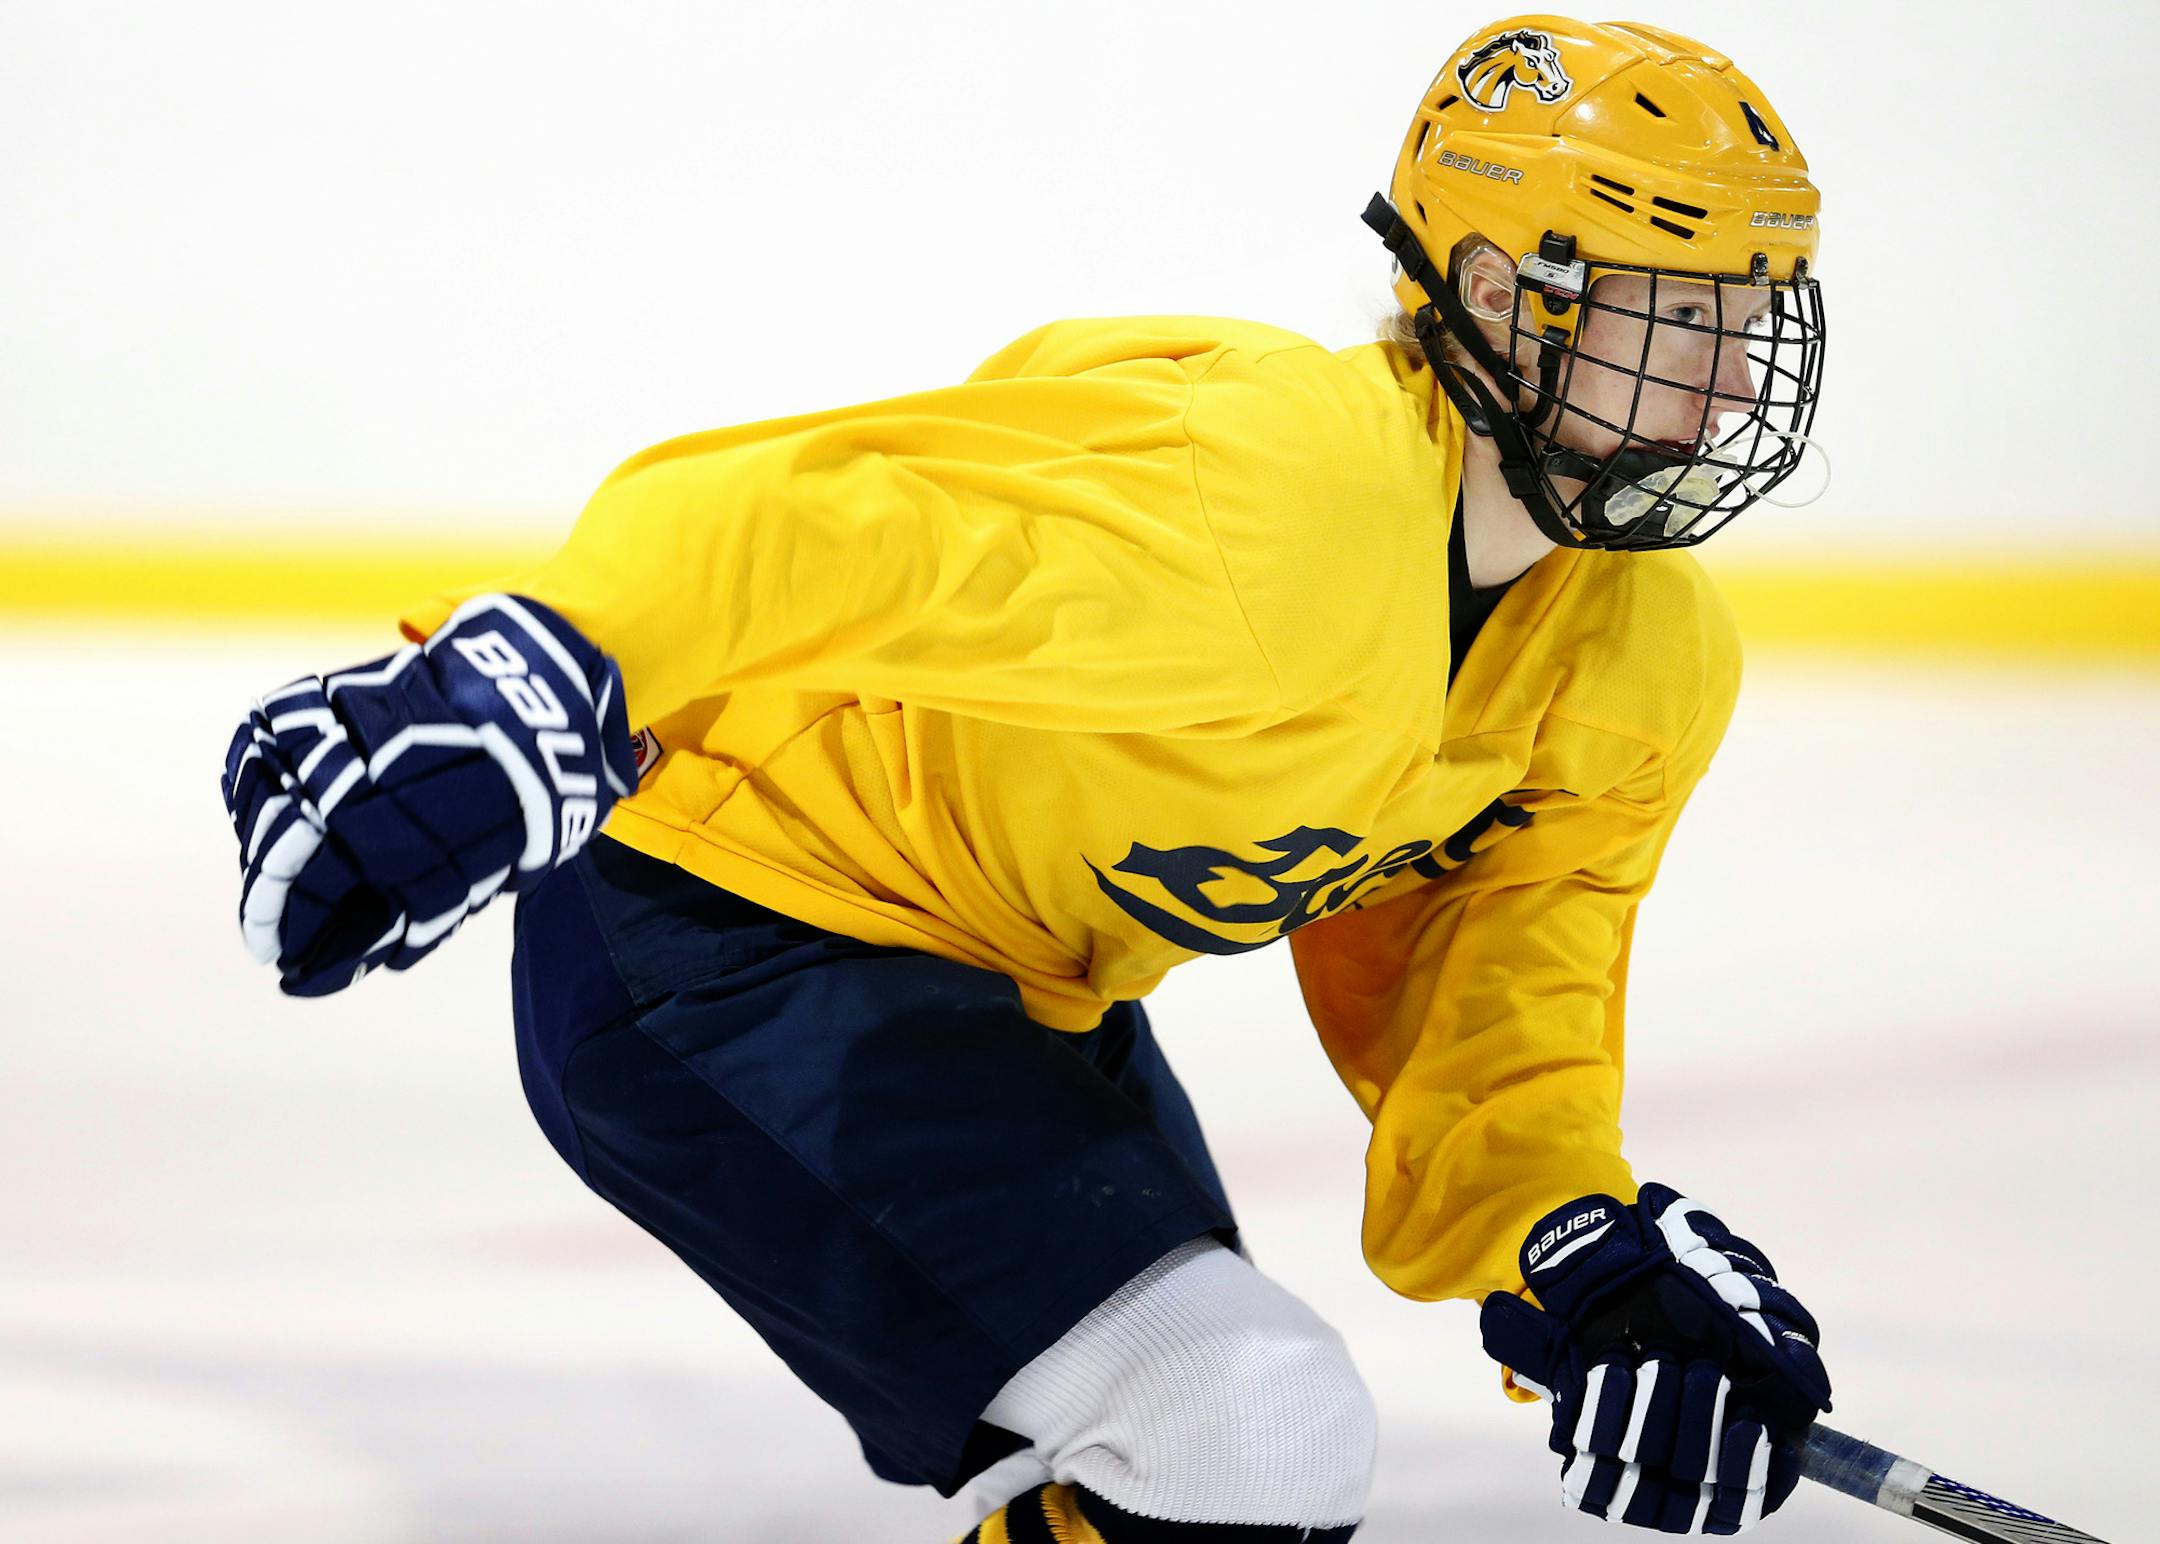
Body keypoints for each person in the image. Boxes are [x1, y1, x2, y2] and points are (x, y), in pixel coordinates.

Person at [220, 14, 1835, 1540]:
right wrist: (540, 662)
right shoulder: (1274, 489)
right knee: (1242, 1424)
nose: (1731, 379)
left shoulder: (1642, 654)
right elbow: (813, 521)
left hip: (1002, 995)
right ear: (1497, 292)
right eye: (1676, 311)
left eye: (1747, 317)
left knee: (1191, 1460)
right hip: (722, 933)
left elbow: (1490, 994)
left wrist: (1563, 1242)